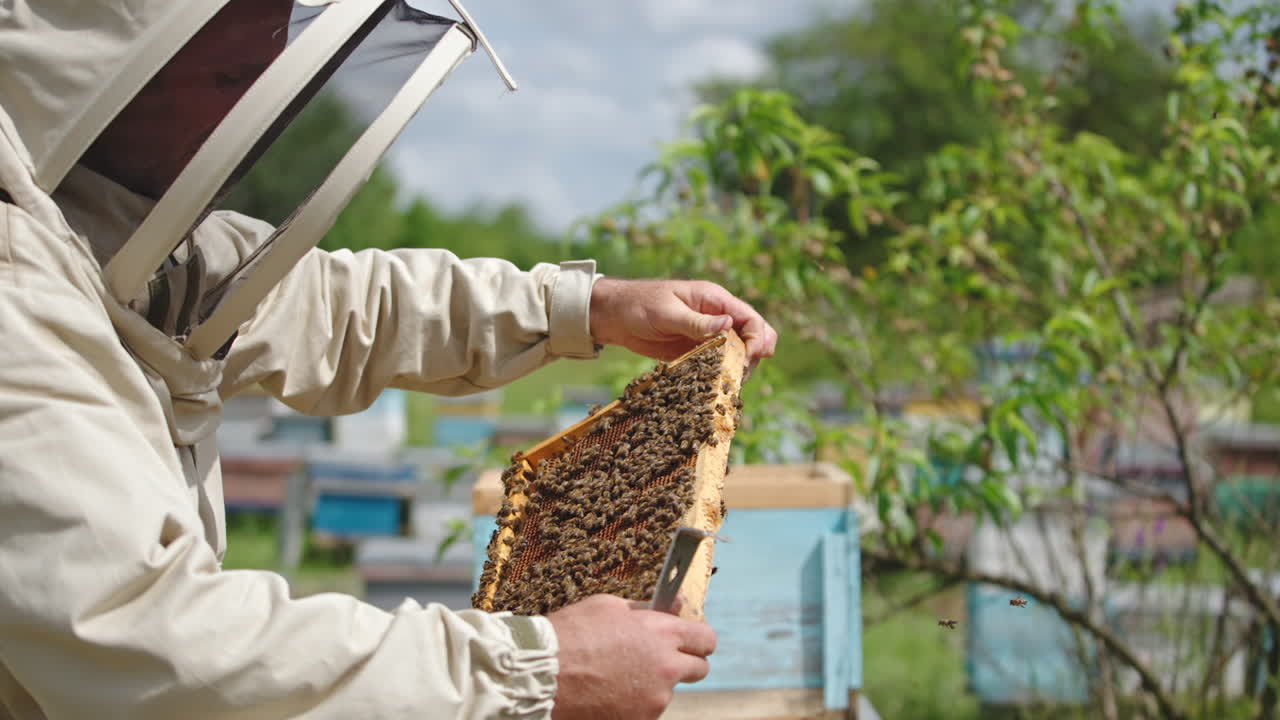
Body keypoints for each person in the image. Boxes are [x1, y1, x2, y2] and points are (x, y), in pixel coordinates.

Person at [0, 2, 777, 720]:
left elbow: (325, 303)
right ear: (108, 69)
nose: (247, 110)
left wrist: (586, 306)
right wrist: (540, 666)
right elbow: (156, 642)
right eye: (229, 75)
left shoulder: (99, 223)